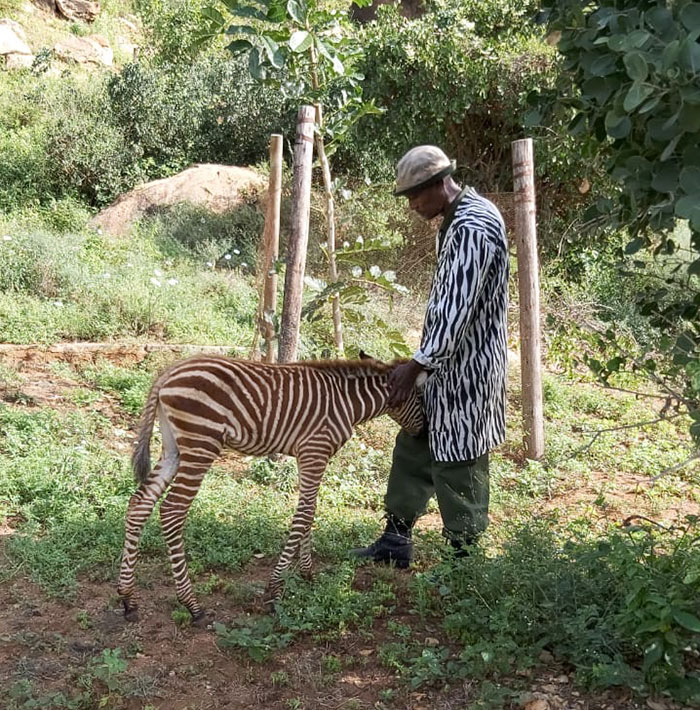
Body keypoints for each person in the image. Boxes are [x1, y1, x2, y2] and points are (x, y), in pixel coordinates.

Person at [351, 145, 509, 565]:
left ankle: (464, 559)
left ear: (441, 184)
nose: (413, 205)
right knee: (415, 441)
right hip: (443, 366)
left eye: (417, 195)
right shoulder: (457, 219)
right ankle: (395, 541)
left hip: (468, 369)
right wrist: (422, 363)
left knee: (460, 458)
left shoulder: (472, 227)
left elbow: (456, 308)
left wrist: (416, 365)